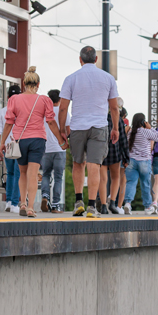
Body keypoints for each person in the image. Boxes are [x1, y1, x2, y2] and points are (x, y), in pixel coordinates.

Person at [58, 46, 119, 218]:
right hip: (99, 127)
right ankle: (92, 207)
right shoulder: (108, 78)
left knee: (78, 163)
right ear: (96, 59)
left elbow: (63, 108)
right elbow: (114, 107)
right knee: (94, 165)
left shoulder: (71, 78)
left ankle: (79, 202)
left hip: (77, 127)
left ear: (80, 59)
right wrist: (115, 128)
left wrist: (63, 130)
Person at [1, 67, 67, 217]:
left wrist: (2, 142)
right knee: (32, 174)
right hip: (37, 140)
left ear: (24, 84)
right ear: (38, 84)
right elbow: (50, 122)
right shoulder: (44, 100)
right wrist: (60, 140)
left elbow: (9, 123)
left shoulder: (14, 99)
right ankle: (30, 208)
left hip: (19, 140)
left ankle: (22, 203)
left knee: (22, 173)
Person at [123, 113, 158, 215]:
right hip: (144, 161)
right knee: (145, 184)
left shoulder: (130, 133)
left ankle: (127, 204)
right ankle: (148, 207)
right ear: (143, 122)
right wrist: (150, 128)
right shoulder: (146, 132)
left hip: (132, 162)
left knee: (131, 183)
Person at [40, 89, 69, 213]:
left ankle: (45, 196)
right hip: (59, 149)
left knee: (46, 174)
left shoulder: (44, 112)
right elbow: (68, 130)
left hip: (46, 149)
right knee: (58, 177)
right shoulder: (64, 112)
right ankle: (56, 205)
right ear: (60, 99)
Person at [0, 84, 23, 214]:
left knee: (10, 173)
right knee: (18, 173)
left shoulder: (2, 111)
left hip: (6, 145)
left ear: (7, 97)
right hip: (18, 144)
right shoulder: (22, 110)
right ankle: (14, 203)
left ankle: (8, 201)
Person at [101, 103, 127, 214]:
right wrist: (126, 157)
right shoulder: (119, 121)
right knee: (115, 178)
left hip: (101, 151)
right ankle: (112, 203)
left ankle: (103, 205)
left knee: (102, 179)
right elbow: (123, 140)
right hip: (114, 151)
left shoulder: (100, 119)